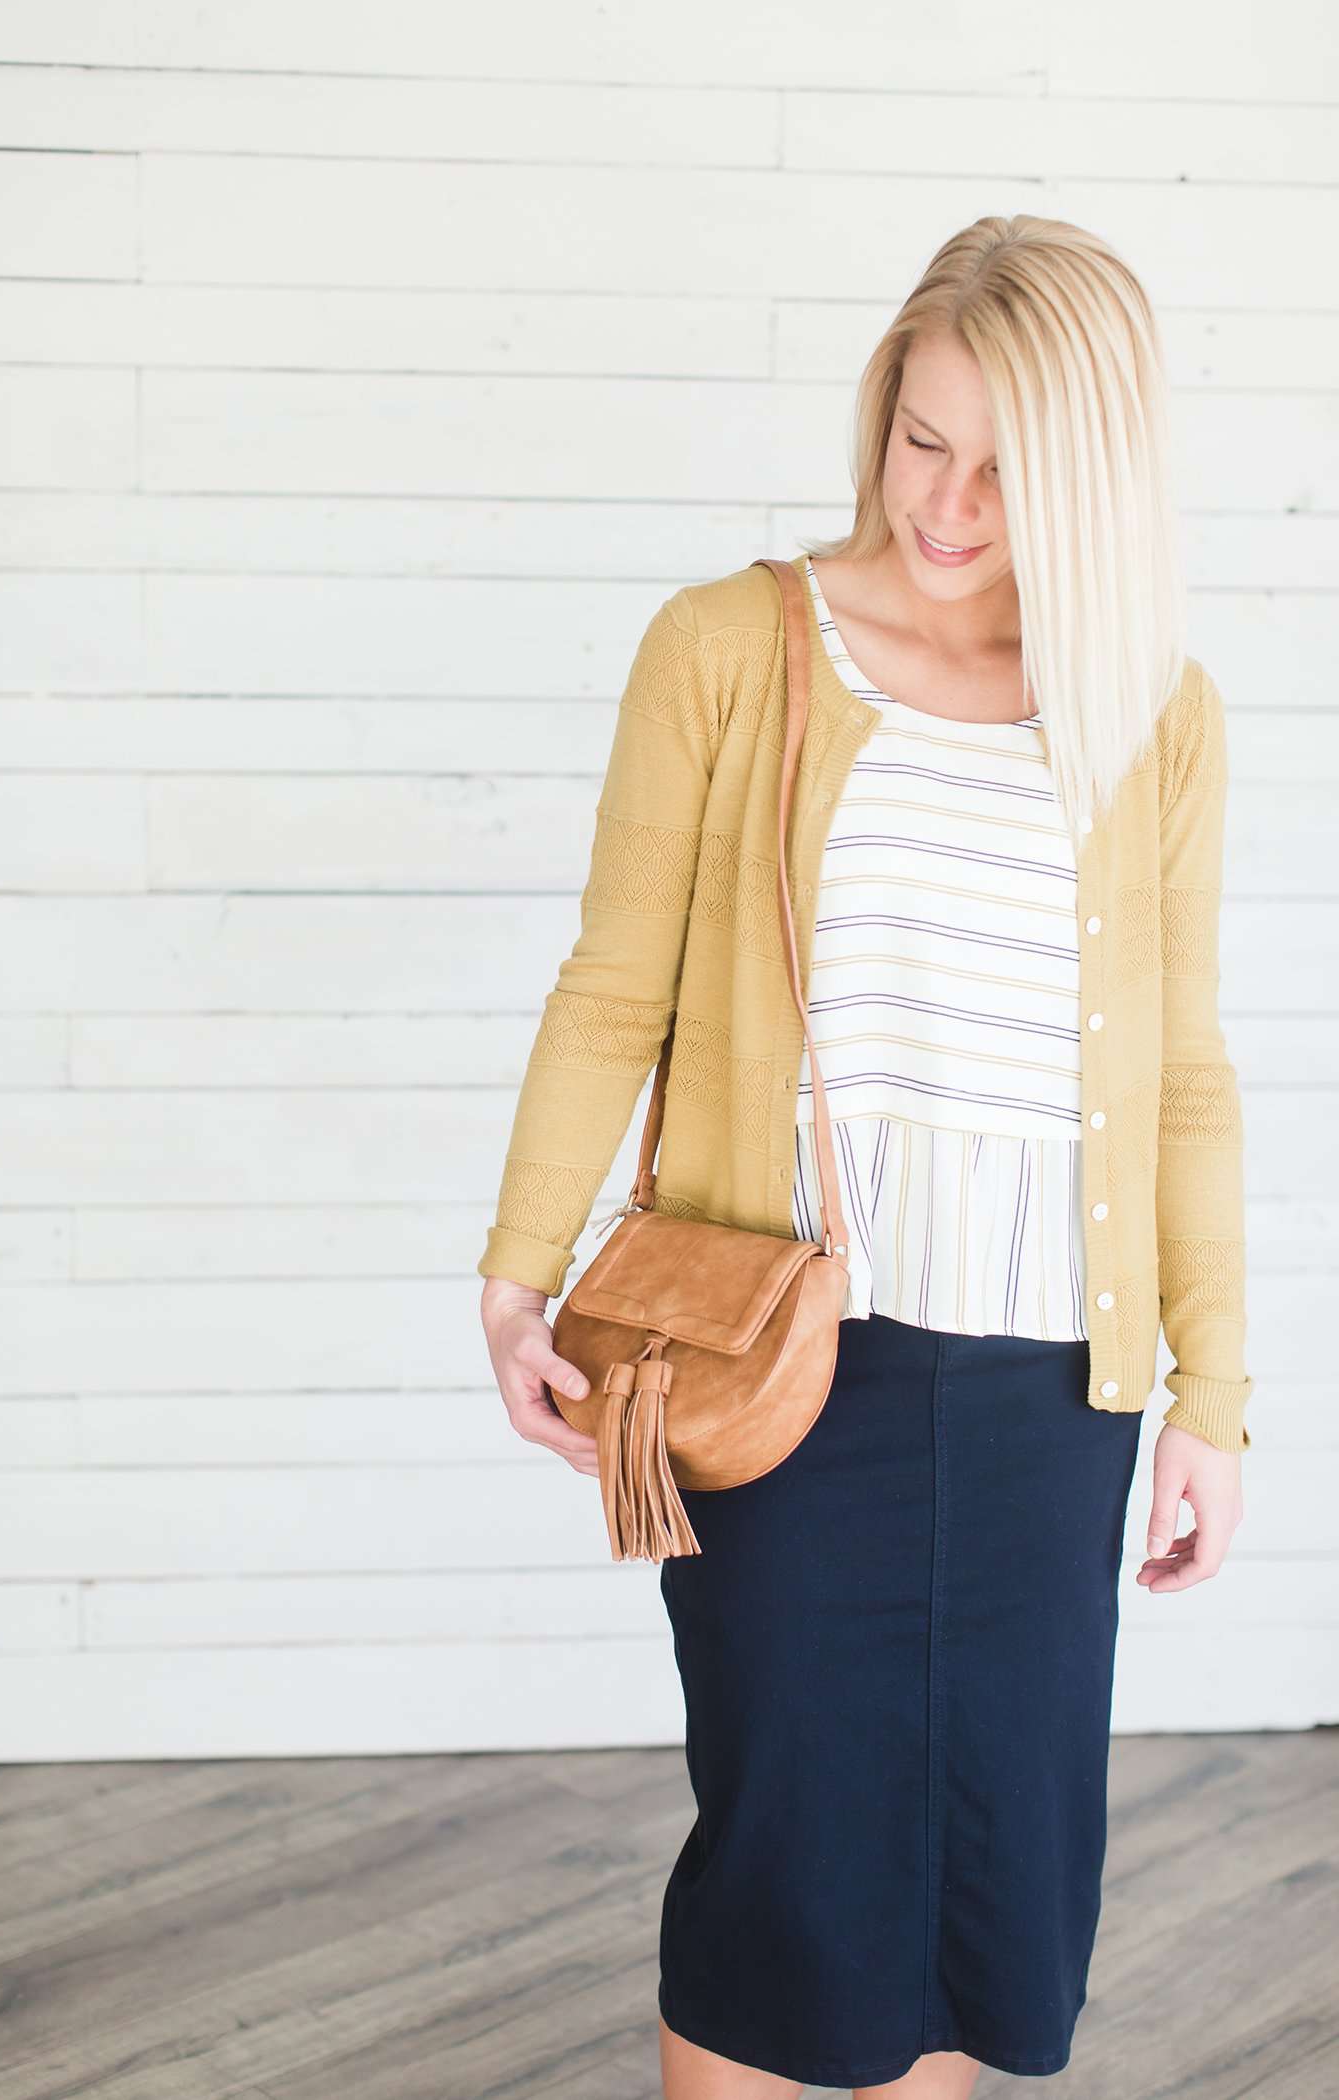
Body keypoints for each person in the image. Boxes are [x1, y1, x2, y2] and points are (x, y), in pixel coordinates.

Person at [478, 214, 1253, 2100]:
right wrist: (516, 1273)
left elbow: (1183, 1078)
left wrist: (1214, 1400)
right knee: (788, 1874)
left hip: (1051, 1399)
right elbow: (614, 986)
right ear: (880, 411)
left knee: (980, 1901)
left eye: (1006, 467)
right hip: (783, 1367)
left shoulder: (1152, 712)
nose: (950, 505)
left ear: (1094, 475)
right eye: (924, 440)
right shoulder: (730, 648)